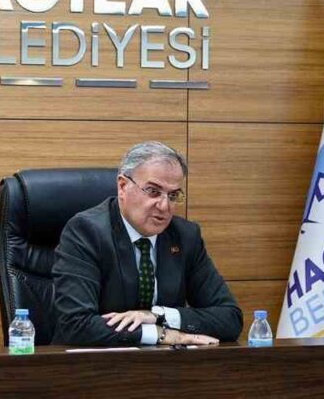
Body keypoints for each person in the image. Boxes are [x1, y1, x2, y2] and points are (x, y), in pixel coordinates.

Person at [52, 141, 242, 346]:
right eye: (153, 191)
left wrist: (159, 315)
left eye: (173, 195)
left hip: (164, 363)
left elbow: (230, 318)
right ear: (123, 186)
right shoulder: (86, 232)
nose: (164, 206)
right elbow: (76, 324)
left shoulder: (185, 236)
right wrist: (160, 334)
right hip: (92, 361)